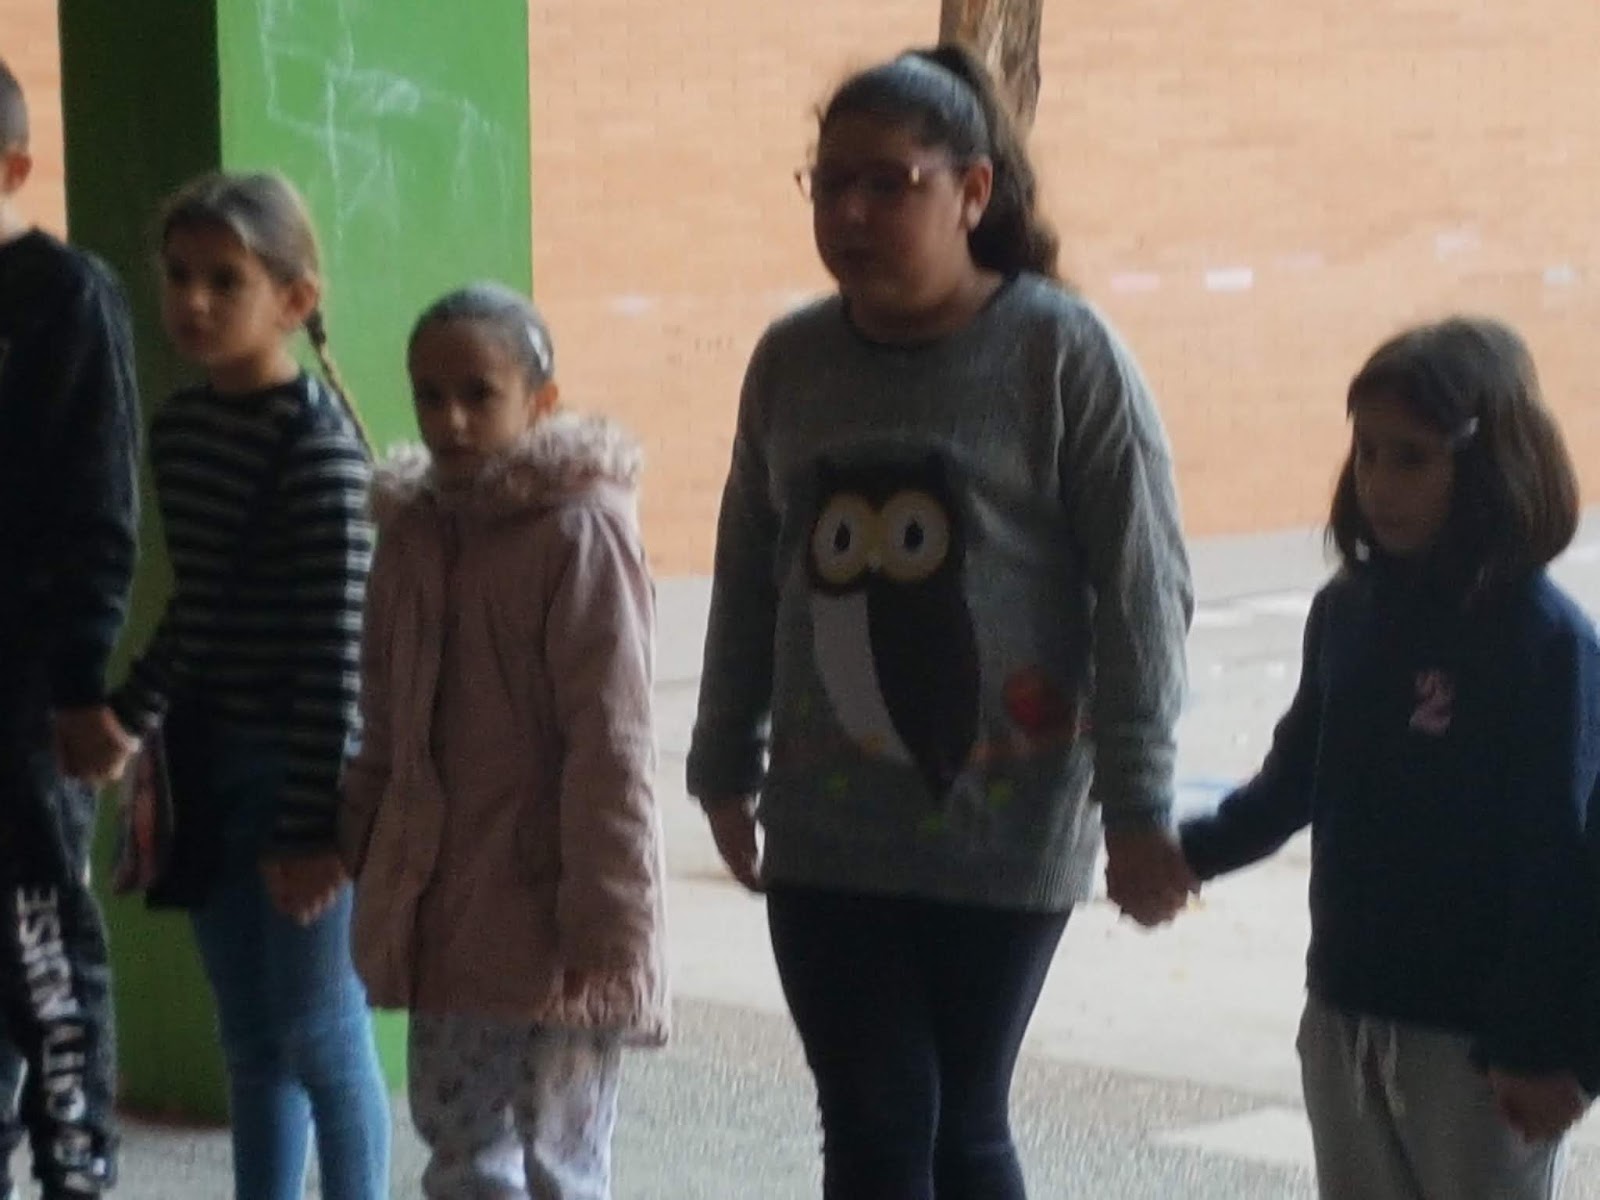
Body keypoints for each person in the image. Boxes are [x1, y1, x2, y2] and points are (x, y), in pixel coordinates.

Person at [685, 41, 1194, 1200]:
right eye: (829, 184)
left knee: (958, 1124)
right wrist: (722, 755)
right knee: (871, 1123)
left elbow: (1141, 589)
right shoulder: (792, 360)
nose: (850, 213)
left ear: (972, 191)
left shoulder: (1062, 352)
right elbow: (749, 568)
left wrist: (1137, 805)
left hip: (1001, 833)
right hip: (827, 829)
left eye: (888, 183)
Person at [1179, 317, 1600, 1200]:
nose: (1378, 483)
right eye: (1366, 452)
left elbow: (1559, 867)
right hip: (1346, 1011)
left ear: (1489, 468)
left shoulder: (1545, 644)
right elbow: (1296, 779)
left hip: (1479, 1047)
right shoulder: (1347, 613)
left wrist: (1551, 1047)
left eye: (1412, 458)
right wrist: (1184, 856)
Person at [341, 283, 667, 1200]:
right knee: (459, 1149)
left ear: (541, 401)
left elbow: (612, 745)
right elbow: (384, 718)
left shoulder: (581, 533)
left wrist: (610, 918)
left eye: (479, 394)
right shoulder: (411, 536)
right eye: (429, 394)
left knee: (561, 1161)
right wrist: (360, 844)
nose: (450, 418)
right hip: (448, 907)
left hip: (558, 912)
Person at [101, 171, 390, 1200]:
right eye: (179, 275)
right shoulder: (184, 431)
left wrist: (314, 826)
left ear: (294, 299)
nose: (193, 301)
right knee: (251, 1035)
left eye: (226, 280)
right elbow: (203, 602)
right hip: (210, 763)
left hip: (302, 768)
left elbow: (337, 652)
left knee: (321, 1029)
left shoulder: (320, 452)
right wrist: (130, 714)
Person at [0, 54, 140, 1200]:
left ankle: (74, 1168)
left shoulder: (64, 298)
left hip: (26, 698)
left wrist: (82, 685)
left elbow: (99, 506)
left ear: (12, 169)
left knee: (39, 941)